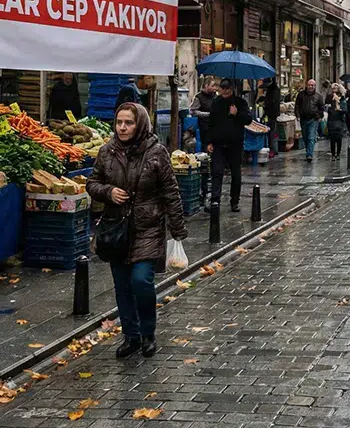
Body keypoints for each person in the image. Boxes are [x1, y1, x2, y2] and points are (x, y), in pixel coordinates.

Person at [86, 102, 187, 359]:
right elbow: (92, 183)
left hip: (147, 227)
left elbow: (170, 192)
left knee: (141, 281)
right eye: (119, 122)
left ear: (140, 123)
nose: (122, 127)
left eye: (128, 123)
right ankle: (130, 336)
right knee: (121, 286)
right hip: (116, 228)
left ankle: (148, 333)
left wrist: (177, 229)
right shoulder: (107, 152)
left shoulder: (157, 153)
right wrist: (108, 192)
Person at [207, 79, 253, 212]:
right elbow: (211, 123)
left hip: (235, 144)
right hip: (219, 144)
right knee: (217, 172)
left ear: (232, 89)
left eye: (227, 88)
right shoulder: (216, 103)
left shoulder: (240, 103)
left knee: (236, 174)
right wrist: (209, 141)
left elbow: (248, 120)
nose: (225, 90)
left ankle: (235, 201)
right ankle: (215, 201)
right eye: (222, 88)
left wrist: (236, 114)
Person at [295, 79, 325, 161]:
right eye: (309, 85)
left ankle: (309, 154)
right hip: (303, 119)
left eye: (313, 85)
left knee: (311, 137)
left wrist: (319, 116)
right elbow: (297, 106)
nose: (311, 87)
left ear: (315, 86)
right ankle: (308, 151)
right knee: (305, 137)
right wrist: (297, 115)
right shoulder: (301, 95)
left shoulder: (318, 96)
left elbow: (322, 108)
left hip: (313, 119)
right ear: (306, 85)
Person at [189, 79, 216, 150]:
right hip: (204, 127)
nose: (214, 88)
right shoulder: (198, 97)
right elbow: (193, 111)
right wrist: (207, 114)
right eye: (212, 86)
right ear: (206, 86)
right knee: (206, 147)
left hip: (215, 126)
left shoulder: (215, 96)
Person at [257, 78, 281, 157]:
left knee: (271, 132)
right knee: (272, 132)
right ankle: (274, 149)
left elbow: (272, 102)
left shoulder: (273, 91)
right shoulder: (274, 89)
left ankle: (272, 149)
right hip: (272, 114)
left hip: (272, 114)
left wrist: (264, 104)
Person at [326, 84, 348, 160]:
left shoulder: (342, 98)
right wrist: (328, 108)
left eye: (335, 88)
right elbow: (326, 106)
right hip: (331, 120)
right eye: (333, 88)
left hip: (339, 120)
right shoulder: (329, 97)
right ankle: (333, 154)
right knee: (332, 139)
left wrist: (341, 109)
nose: (334, 90)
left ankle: (338, 153)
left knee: (339, 138)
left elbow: (345, 109)